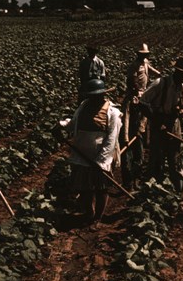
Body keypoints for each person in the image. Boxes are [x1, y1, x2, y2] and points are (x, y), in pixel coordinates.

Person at [60, 79, 122, 222]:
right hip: (82, 154)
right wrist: (61, 125)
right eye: (91, 95)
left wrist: (101, 161)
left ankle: (98, 217)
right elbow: (73, 124)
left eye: (97, 95)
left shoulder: (113, 112)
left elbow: (111, 139)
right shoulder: (84, 106)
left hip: (100, 156)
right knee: (85, 187)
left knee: (101, 188)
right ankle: (90, 212)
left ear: (103, 95)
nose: (94, 98)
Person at [139, 56, 183, 198]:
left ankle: (180, 196)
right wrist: (157, 122)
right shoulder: (160, 83)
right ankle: (152, 195)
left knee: (175, 161)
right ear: (178, 72)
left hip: (174, 125)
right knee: (156, 160)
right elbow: (142, 103)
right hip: (158, 124)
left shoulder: (182, 88)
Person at [121, 43, 151, 190]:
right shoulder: (129, 100)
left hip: (138, 132)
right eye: (141, 54)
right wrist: (126, 138)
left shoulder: (145, 64)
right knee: (127, 155)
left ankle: (136, 179)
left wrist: (141, 129)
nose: (143, 57)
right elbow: (125, 118)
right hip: (129, 134)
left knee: (139, 155)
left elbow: (146, 116)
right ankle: (128, 183)